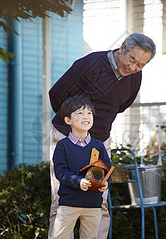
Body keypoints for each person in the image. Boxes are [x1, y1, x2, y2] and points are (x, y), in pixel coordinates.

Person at [48, 32, 156, 239]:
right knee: (64, 201)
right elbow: (57, 96)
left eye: (141, 65)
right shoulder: (90, 65)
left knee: (99, 200)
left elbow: (121, 105)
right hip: (66, 138)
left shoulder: (135, 77)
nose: (133, 68)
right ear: (123, 47)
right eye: (132, 59)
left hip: (99, 143)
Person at [50, 95, 111, 239]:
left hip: (93, 205)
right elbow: (61, 172)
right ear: (68, 120)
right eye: (80, 113)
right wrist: (78, 181)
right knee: (59, 237)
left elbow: (106, 169)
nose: (86, 116)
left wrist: (105, 184)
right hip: (68, 204)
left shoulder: (99, 146)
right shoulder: (62, 145)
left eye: (89, 113)